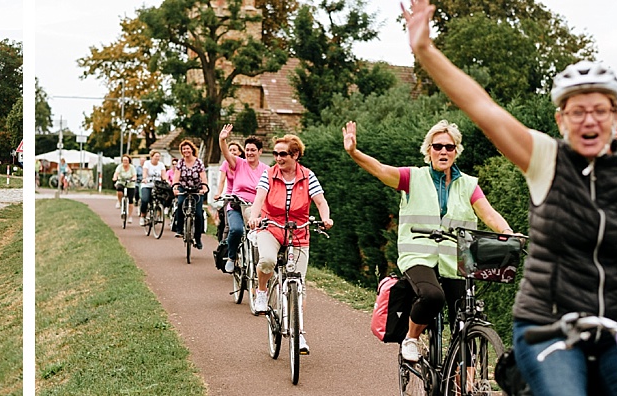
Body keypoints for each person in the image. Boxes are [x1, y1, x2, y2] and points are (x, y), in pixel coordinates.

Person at [404, 0, 617, 392]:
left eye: (600, 110)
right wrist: (425, 49)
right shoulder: (546, 159)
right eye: (577, 112)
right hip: (549, 325)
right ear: (561, 120)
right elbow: (482, 107)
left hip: (616, 325)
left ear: (615, 116)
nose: (589, 120)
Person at [343, 119, 514, 362]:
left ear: (456, 151)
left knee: (465, 319)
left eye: (449, 147)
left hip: (456, 261)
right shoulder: (413, 177)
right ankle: (411, 338)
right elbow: (380, 170)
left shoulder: (468, 185)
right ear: (429, 150)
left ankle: (467, 375)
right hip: (418, 257)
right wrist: (353, 152)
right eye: (438, 146)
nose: (443, 151)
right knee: (433, 296)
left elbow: (488, 214)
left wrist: (507, 231)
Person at [247, 134, 333, 355]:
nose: (278, 158)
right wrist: (254, 217)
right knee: (267, 260)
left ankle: (299, 333)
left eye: (283, 154)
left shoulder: (308, 176)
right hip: (271, 227)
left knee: (299, 285)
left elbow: (321, 201)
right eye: (275, 153)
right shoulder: (269, 174)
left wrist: (326, 218)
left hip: (298, 232)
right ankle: (262, 291)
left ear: (295, 155)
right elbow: (259, 199)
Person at [216, 128, 270, 273]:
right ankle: (231, 257)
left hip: (256, 209)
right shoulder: (239, 163)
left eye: (253, 150)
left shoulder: (267, 170)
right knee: (236, 230)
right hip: (236, 206)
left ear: (260, 152)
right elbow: (226, 153)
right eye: (247, 150)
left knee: (264, 233)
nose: (249, 153)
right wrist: (222, 139)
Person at [171, 140, 210, 249]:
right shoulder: (180, 162)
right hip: (183, 188)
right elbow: (176, 176)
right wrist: (175, 186)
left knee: (198, 214)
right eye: (183, 149)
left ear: (192, 149)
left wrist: (204, 187)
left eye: (187, 148)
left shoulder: (198, 162)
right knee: (180, 204)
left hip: (196, 189)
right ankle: (179, 230)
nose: (186, 151)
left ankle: (198, 238)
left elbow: (203, 177)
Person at [139, 151, 169, 224]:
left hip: (157, 185)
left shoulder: (161, 165)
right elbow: (145, 172)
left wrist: (166, 180)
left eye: (158, 156)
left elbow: (163, 175)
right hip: (147, 185)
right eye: (156, 156)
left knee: (162, 199)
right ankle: (142, 216)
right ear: (152, 157)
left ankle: (158, 214)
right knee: (145, 200)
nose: (157, 158)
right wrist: (144, 178)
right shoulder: (147, 163)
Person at [114, 155, 138, 225]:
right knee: (119, 189)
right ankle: (119, 202)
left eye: (126, 160)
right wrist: (115, 177)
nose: (125, 162)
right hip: (121, 182)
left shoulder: (132, 167)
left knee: (131, 200)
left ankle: (130, 216)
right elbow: (116, 173)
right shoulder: (120, 167)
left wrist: (133, 179)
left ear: (129, 161)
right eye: (124, 160)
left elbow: (134, 176)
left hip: (130, 184)